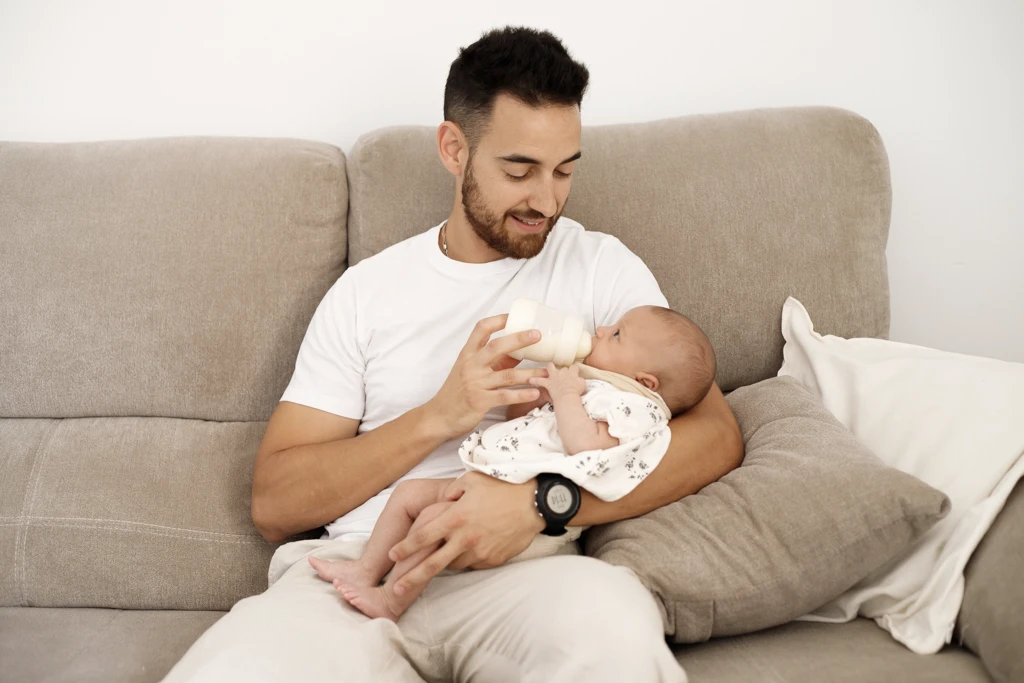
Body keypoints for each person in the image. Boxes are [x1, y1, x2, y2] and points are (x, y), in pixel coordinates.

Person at [162, 26, 742, 683]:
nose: (547, 201)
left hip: (528, 576)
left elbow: (715, 434)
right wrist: (440, 415)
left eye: (565, 170)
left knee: (612, 632)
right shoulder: (366, 294)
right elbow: (275, 502)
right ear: (453, 149)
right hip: (364, 564)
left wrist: (540, 504)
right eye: (520, 170)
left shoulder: (600, 268)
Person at [308, 305, 717, 622]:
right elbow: (527, 426)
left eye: (616, 335)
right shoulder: (598, 385)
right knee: (409, 494)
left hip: (532, 524)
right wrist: (539, 392)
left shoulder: (636, 408)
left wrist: (567, 395)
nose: (601, 330)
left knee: (432, 518)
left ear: (647, 381)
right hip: (490, 479)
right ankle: (365, 569)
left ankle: (391, 598)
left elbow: (586, 448)